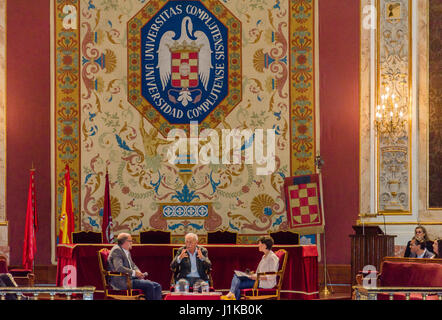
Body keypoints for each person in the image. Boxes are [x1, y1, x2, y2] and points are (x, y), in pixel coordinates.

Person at [221, 236, 279, 300]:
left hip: (265, 283)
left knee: (237, 285)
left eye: (259, 243)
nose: (258, 245)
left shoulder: (272, 258)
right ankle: (231, 293)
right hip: (258, 279)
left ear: (264, 245)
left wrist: (257, 277)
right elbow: (259, 272)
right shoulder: (264, 256)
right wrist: (251, 275)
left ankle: (231, 293)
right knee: (236, 275)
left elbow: (272, 276)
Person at [108, 233, 162, 300]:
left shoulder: (125, 250)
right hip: (123, 281)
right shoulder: (117, 250)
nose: (132, 243)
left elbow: (133, 265)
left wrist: (138, 272)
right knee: (150, 285)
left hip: (131, 278)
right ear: (125, 242)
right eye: (130, 241)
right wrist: (134, 273)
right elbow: (119, 268)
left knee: (157, 286)